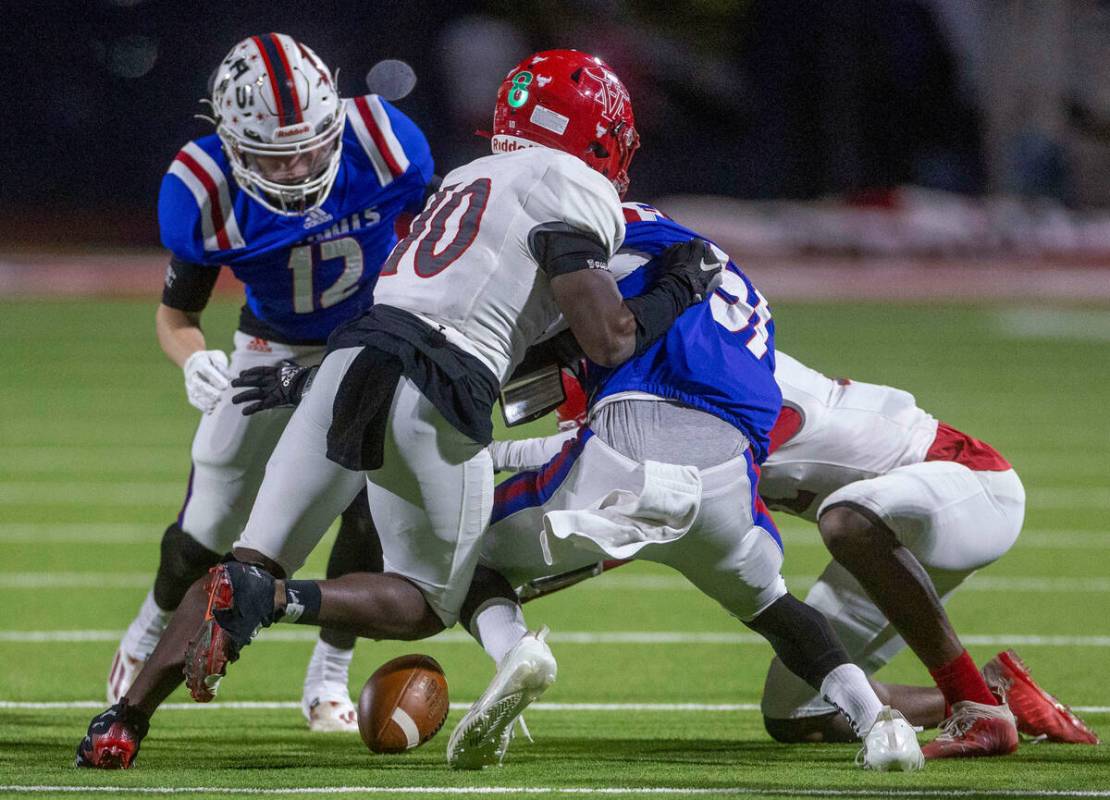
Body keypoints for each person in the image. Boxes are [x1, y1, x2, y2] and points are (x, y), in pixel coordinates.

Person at [76, 48, 719, 771]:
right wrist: (681, 287)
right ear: (599, 137)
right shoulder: (576, 190)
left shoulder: (471, 174)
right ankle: (276, 600)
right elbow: (610, 339)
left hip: (353, 353)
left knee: (248, 554)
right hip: (435, 379)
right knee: (425, 602)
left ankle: (121, 723)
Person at [447, 207, 925, 771]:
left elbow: (584, 359)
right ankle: (880, 724)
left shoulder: (595, 232)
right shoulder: (735, 295)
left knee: (464, 556)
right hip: (728, 477)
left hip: (627, 449)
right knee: (773, 606)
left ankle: (517, 653)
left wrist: (490, 447)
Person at [490, 339, 1098, 757]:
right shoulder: (673, 383)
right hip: (890, 524)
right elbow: (590, 478)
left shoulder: (714, 385)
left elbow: (620, 491)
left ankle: (976, 711)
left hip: (967, 487)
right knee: (799, 714)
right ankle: (992, 693)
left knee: (845, 521)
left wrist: (503, 553)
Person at [105, 32, 434, 734]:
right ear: (228, 138)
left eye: (313, 144)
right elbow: (177, 316)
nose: (298, 165)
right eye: (271, 153)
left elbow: (438, 251)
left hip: (369, 340)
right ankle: (146, 633)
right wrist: (193, 357)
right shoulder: (202, 190)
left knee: (372, 508)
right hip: (268, 346)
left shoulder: (385, 144)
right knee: (212, 518)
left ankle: (328, 679)